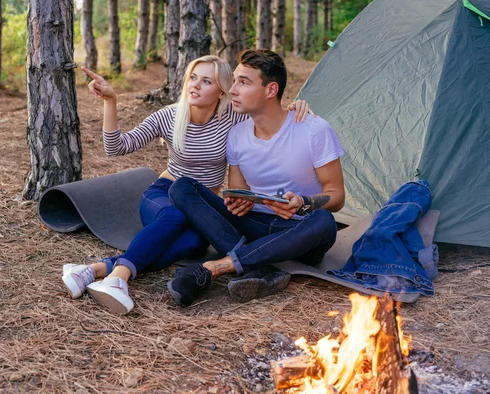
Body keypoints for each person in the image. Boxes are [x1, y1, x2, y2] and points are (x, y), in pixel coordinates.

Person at [61, 55, 312, 315]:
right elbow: (116, 147)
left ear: (222, 90)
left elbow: (268, 114)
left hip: (202, 207)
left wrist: (296, 108)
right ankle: (119, 277)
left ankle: (94, 270)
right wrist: (111, 101)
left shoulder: (233, 118)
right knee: (174, 216)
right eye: (192, 78)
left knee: (193, 244)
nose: (195, 85)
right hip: (164, 193)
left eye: (206, 81)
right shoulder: (169, 116)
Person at [167, 49, 345, 307]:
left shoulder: (314, 130)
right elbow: (238, 193)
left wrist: (303, 202)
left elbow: (337, 196)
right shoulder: (237, 134)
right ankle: (260, 267)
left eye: (244, 82)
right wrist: (238, 202)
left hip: (297, 229)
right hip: (254, 226)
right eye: (234, 81)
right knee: (182, 187)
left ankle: (219, 266)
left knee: (325, 221)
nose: (233, 90)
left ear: (270, 90)